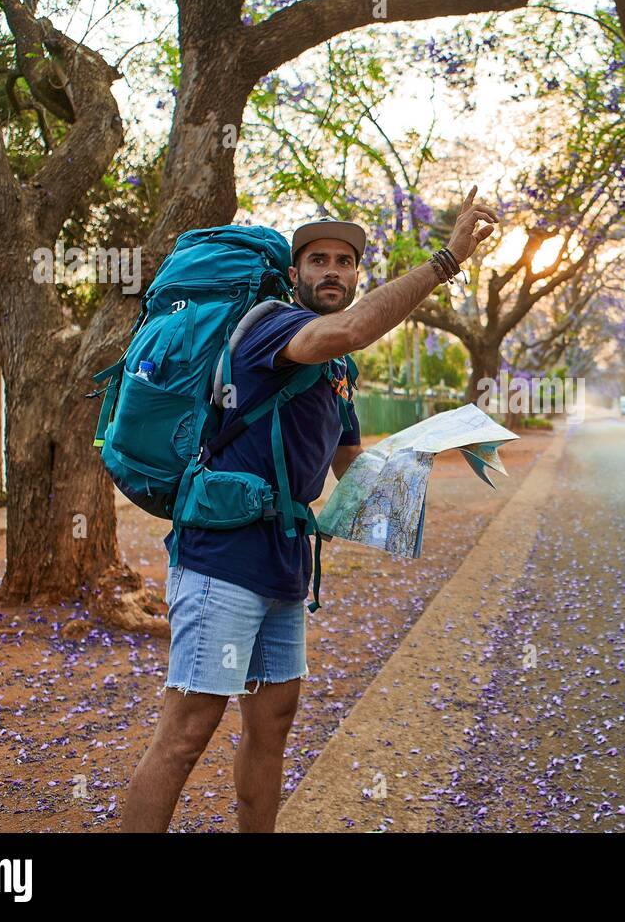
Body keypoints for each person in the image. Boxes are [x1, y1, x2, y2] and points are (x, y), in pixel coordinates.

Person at [123, 187, 497, 832]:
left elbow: (356, 474)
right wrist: (447, 259)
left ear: (357, 273)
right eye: (317, 260)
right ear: (294, 274)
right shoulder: (272, 326)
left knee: (273, 724)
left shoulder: (337, 371)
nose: (332, 271)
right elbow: (348, 328)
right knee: (187, 731)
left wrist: (436, 443)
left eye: (345, 261)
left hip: (285, 561)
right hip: (221, 556)